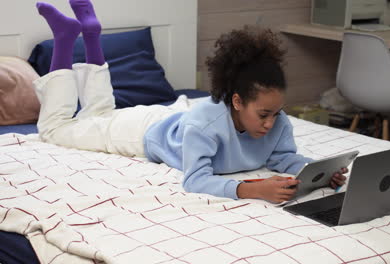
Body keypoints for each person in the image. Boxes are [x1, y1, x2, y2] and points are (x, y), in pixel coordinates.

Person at [34, 0, 348, 204]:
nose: (271, 123)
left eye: (276, 113)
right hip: (142, 133)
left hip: (176, 119)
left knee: (98, 113)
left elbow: (284, 159)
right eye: (264, 114)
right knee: (56, 129)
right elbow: (196, 180)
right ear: (236, 101)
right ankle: (65, 38)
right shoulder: (207, 123)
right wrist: (253, 189)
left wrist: (315, 171)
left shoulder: (276, 122)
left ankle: (90, 35)